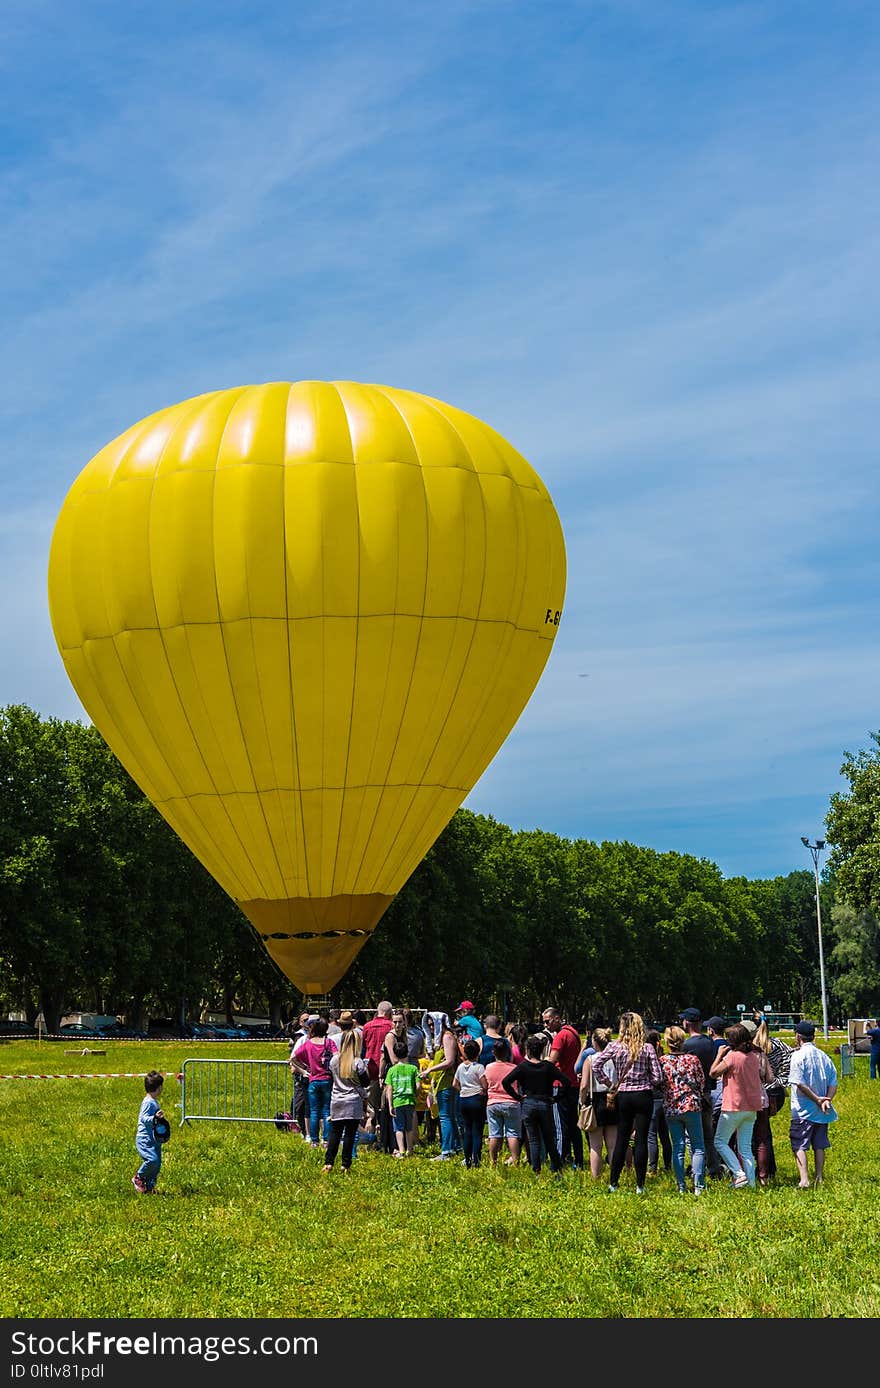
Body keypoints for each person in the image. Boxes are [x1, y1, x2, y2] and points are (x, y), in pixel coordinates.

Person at [592, 1011, 662, 1194]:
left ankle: (613, 1182)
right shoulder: (647, 1048)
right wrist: (647, 1080)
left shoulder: (615, 1046)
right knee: (641, 1140)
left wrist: (609, 1083)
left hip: (623, 1095)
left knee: (622, 1139)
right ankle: (640, 1185)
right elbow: (657, 1076)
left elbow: (596, 1064)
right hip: (643, 1095)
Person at [709, 1023, 768, 1189]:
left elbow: (713, 1073)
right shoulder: (753, 1057)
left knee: (719, 1141)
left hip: (733, 1107)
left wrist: (719, 1055)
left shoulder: (732, 1056)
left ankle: (739, 1174)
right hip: (751, 1108)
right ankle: (751, 1183)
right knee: (745, 1147)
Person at [502, 1034, 570, 1177]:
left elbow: (506, 1082)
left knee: (533, 1139)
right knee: (549, 1137)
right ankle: (556, 1168)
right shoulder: (548, 1067)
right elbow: (566, 1082)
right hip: (545, 1103)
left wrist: (518, 1097)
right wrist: (557, 1098)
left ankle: (536, 1171)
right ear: (542, 1050)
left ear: (527, 1050)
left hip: (528, 1104)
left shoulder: (523, 1067)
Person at [788, 1019, 838, 1188]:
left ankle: (804, 1179)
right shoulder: (824, 1056)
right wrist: (827, 1100)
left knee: (799, 1144)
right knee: (819, 1145)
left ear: (798, 1036)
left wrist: (817, 1099)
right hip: (822, 1110)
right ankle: (819, 1177)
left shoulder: (797, 1056)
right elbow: (833, 1082)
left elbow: (799, 1083)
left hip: (803, 1109)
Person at [659, 1027, 706, 1195]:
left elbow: (659, 1083)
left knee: (677, 1147)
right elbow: (701, 1082)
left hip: (672, 1108)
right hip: (692, 1106)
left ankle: (681, 1186)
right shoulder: (693, 1060)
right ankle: (699, 1185)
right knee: (698, 1147)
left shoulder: (662, 1061)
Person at [323, 1013, 370, 1175]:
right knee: (350, 1134)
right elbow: (365, 1083)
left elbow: (331, 1077)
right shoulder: (357, 1063)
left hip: (337, 1099)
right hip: (353, 1101)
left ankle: (328, 1163)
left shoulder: (335, 1061)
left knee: (334, 1134)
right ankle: (345, 1165)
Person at [680, 1008, 723, 1179]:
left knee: (692, 1136)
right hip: (707, 1092)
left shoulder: (687, 1045)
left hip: (690, 1094)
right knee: (708, 1134)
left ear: (687, 1023)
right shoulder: (709, 1042)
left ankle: (697, 1168)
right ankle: (714, 1168)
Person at [749, 1018, 791, 1185]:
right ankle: (769, 1167)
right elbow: (790, 1057)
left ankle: (759, 1168)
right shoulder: (778, 1044)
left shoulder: (750, 1047)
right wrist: (781, 1080)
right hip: (775, 1093)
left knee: (754, 1133)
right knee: (765, 1132)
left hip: (757, 1093)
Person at [543, 1005, 584, 1171]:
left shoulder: (561, 1036)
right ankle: (578, 1158)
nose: (546, 1025)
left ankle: (559, 1161)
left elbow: (552, 1061)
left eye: (547, 1022)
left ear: (557, 1018)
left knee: (560, 1125)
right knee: (573, 1124)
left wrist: (541, 1061)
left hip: (559, 1085)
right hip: (573, 1083)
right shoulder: (574, 1033)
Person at [290, 1017, 337, 1148]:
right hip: (327, 1079)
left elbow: (293, 1058)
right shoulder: (329, 1042)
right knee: (327, 1111)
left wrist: (303, 1070)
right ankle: (326, 1140)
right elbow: (337, 1057)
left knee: (314, 1111)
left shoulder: (308, 1044)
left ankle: (314, 1140)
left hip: (313, 1080)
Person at [578, 1027, 618, 1180]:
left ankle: (596, 1177)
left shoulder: (590, 1059)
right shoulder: (614, 1058)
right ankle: (614, 1177)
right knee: (612, 1144)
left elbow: (583, 1086)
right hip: (612, 1099)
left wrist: (582, 1102)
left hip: (595, 1101)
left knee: (595, 1145)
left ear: (594, 1042)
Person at [420, 1011, 460, 1160]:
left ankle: (447, 1150)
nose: (431, 1028)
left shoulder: (447, 1037)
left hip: (447, 1083)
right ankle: (455, 1147)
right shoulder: (441, 1039)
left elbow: (449, 1061)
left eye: (433, 1024)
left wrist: (430, 1069)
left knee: (445, 1118)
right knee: (448, 1117)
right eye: (428, 1025)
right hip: (441, 1083)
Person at [484, 1037, 522, 1167]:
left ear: (493, 1052)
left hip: (493, 1102)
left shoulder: (488, 1067)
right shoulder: (514, 1068)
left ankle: (493, 1161)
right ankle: (516, 1160)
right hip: (511, 1102)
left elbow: (485, 1084)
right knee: (513, 1134)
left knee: (494, 1134)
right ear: (508, 1052)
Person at [454, 1037, 489, 1167]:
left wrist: (462, 1090)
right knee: (477, 1130)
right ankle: (476, 1159)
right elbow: (484, 1085)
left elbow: (454, 1084)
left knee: (467, 1130)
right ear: (478, 1053)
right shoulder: (479, 1067)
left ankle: (467, 1158)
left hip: (464, 1099)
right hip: (476, 1099)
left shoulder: (460, 1067)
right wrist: (483, 1091)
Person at [384, 1038, 421, 1157]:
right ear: (407, 1053)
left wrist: (390, 1104)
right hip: (410, 1100)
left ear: (394, 1053)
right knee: (409, 1127)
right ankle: (410, 1150)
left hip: (397, 1101)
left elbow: (389, 1089)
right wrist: (415, 1094)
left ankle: (401, 1150)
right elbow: (418, 1085)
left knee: (398, 1127)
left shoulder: (391, 1070)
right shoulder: (413, 1068)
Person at [361, 1001, 394, 1132]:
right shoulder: (391, 1026)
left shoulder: (367, 1026)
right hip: (387, 1068)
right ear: (389, 1013)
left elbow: (363, 1047)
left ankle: (370, 1132)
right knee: (387, 1102)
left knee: (371, 1104)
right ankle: (386, 1131)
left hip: (371, 1067)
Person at [133, 1070, 165, 1194]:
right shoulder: (148, 1102)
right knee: (152, 1160)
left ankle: (149, 1187)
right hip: (145, 1138)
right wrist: (155, 1118)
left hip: (154, 1138)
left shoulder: (153, 1101)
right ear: (158, 1088)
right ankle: (138, 1177)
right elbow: (143, 1118)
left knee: (156, 1164)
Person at [645, 1029, 672, 1178]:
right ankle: (668, 1165)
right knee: (665, 1136)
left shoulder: (647, 1057)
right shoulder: (664, 1058)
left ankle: (652, 1168)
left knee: (651, 1136)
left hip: (652, 1098)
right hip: (665, 1099)